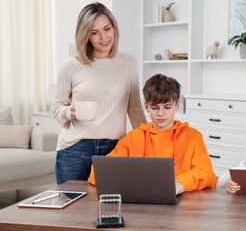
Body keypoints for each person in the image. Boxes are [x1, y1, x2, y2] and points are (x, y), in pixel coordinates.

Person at [51, 2, 146, 185]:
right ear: (86, 35)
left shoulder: (128, 62)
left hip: (114, 148)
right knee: (72, 210)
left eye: (107, 29)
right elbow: (56, 107)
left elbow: (134, 109)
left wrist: (149, 141)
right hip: (74, 148)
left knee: (111, 208)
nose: (104, 37)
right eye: (94, 32)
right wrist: (67, 112)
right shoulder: (70, 65)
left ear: (114, 28)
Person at [88, 74, 217, 195]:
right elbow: (99, 172)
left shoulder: (193, 136)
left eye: (167, 107)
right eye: (155, 108)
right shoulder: (134, 137)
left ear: (177, 106)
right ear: (146, 107)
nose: (161, 114)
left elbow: (206, 173)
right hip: (140, 200)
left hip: (183, 201)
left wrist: (180, 183)